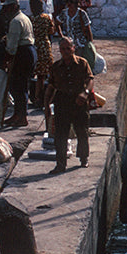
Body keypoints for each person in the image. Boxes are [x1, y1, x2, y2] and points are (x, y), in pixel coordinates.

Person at [44, 35, 94, 174]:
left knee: (82, 131)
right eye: (62, 49)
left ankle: (84, 158)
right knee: (60, 134)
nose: (65, 51)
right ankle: (60, 164)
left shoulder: (82, 63)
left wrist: (85, 93)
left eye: (68, 48)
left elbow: (90, 80)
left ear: (73, 48)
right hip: (62, 102)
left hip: (79, 102)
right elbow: (51, 86)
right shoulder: (56, 67)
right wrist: (46, 104)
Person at [1, 0, 36, 128]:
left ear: (14, 6)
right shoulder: (23, 17)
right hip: (28, 51)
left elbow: (12, 46)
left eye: (8, 7)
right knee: (20, 86)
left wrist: (8, 59)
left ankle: (22, 116)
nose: (6, 10)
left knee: (19, 87)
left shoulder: (16, 21)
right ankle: (18, 114)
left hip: (23, 53)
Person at [29, 0, 54, 114]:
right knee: (48, 72)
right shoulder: (46, 18)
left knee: (39, 75)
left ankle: (38, 97)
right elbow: (51, 30)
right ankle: (48, 97)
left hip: (35, 46)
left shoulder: (31, 19)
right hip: (45, 44)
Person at [57, 0, 95, 70]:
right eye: (67, 1)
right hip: (68, 43)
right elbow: (57, 23)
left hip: (80, 43)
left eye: (71, 2)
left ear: (76, 3)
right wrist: (61, 35)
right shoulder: (64, 13)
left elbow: (88, 28)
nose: (69, 4)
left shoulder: (81, 13)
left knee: (79, 64)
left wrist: (90, 43)